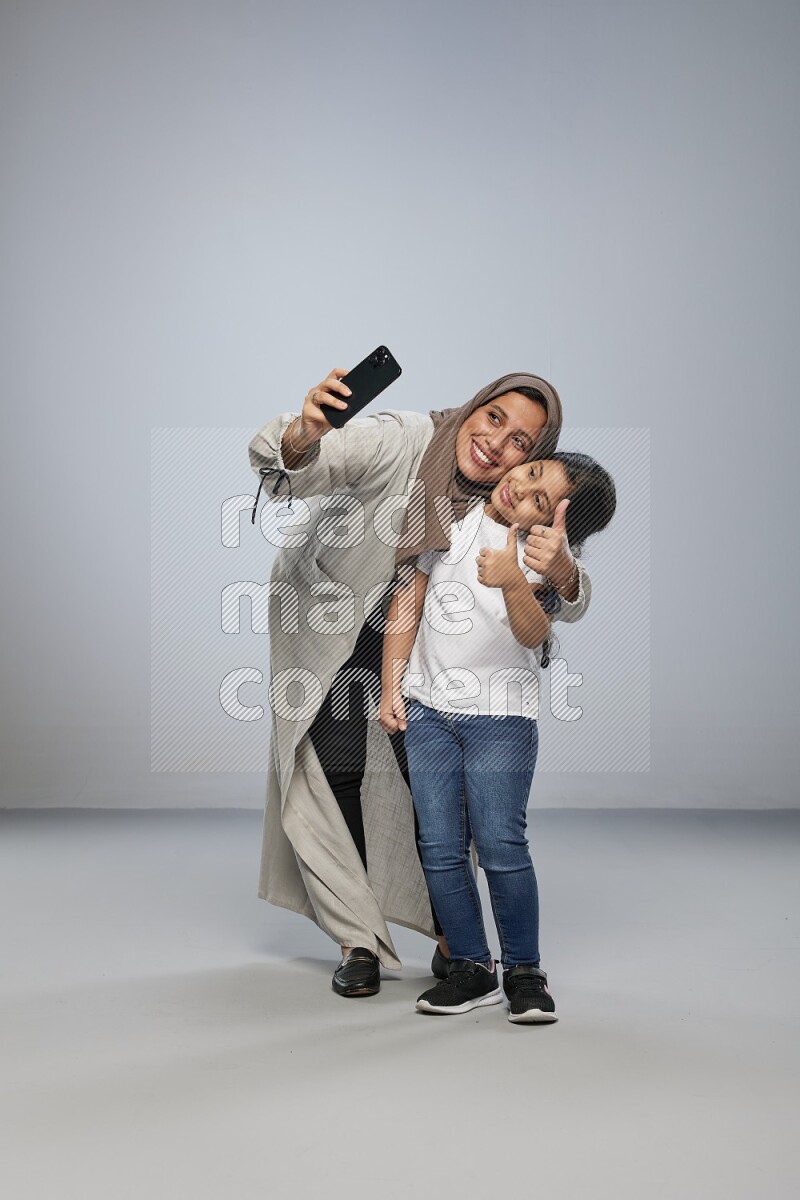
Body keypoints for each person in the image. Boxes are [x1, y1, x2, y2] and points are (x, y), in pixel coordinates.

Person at [247, 366, 593, 998]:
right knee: (337, 773)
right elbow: (308, 464)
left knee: (429, 785)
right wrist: (306, 432)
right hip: (331, 616)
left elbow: (564, 592)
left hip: (418, 645)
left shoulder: (512, 512)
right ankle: (357, 938)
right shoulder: (406, 440)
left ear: (535, 460)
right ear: (474, 407)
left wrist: (565, 575)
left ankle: (450, 936)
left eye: (522, 442)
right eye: (494, 418)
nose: (497, 444)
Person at [379, 452, 615, 1022]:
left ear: (559, 526)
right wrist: (392, 685)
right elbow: (406, 603)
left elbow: (535, 634)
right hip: (428, 709)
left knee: (501, 844)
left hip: (500, 718)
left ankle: (524, 970)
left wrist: (515, 578)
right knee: (438, 846)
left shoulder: (544, 558)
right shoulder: (450, 520)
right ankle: (470, 966)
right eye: (531, 473)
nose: (521, 489)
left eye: (541, 501)